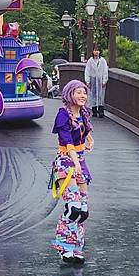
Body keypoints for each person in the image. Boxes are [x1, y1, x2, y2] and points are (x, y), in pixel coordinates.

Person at [50, 80, 94, 265]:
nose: (82, 95)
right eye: (78, 92)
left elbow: (83, 133)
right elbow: (67, 141)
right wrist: (75, 162)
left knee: (82, 210)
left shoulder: (83, 113)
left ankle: (77, 247)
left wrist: (89, 138)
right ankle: (64, 247)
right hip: (66, 162)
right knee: (73, 207)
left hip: (80, 162)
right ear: (70, 94)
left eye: (84, 92)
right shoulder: (63, 115)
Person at [84, 47, 108, 118]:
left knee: (101, 96)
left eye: (98, 50)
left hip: (100, 79)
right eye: (95, 50)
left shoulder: (102, 61)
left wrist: (104, 80)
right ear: (93, 51)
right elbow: (87, 71)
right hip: (93, 79)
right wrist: (87, 81)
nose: (96, 52)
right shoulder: (90, 61)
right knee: (93, 95)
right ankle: (94, 111)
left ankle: (101, 111)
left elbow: (105, 71)